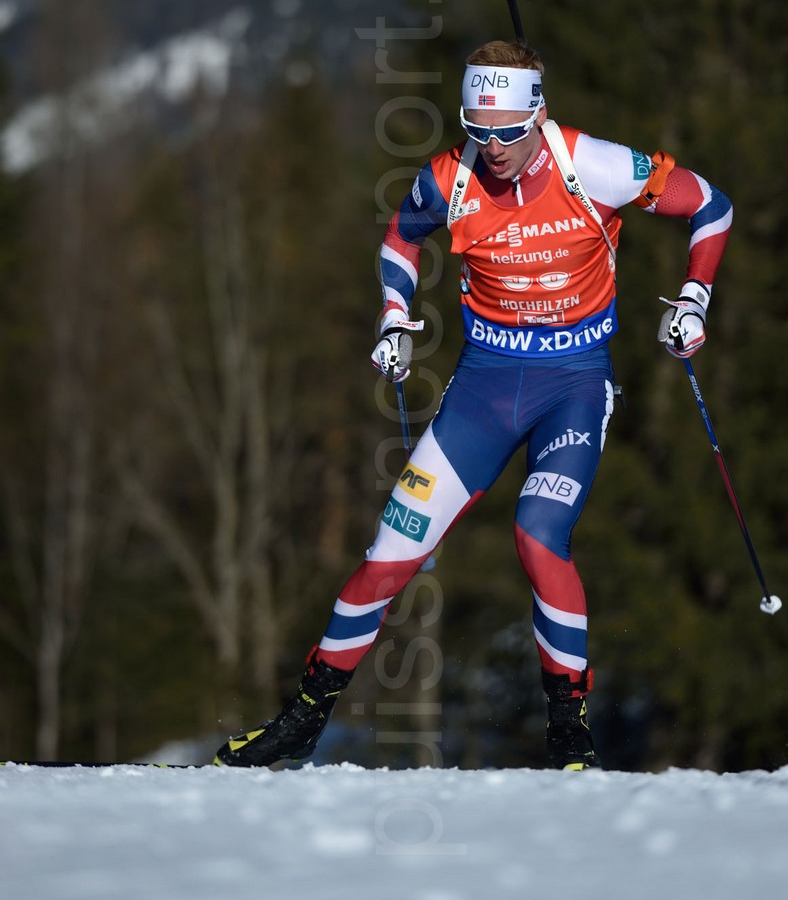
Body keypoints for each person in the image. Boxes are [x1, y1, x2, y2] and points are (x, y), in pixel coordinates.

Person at [214, 39, 732, 771]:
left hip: (573, 384)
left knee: (538, 534)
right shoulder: (448, 178)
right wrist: (394, 316)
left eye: (508, 132)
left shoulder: (596, 166)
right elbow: (401, 238)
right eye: (477, 129)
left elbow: (711, 206)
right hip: (484, 389)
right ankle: (300, 721)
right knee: (389, 556)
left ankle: (569, 734)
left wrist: (694, 298)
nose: (492, 148)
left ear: (537, 115)